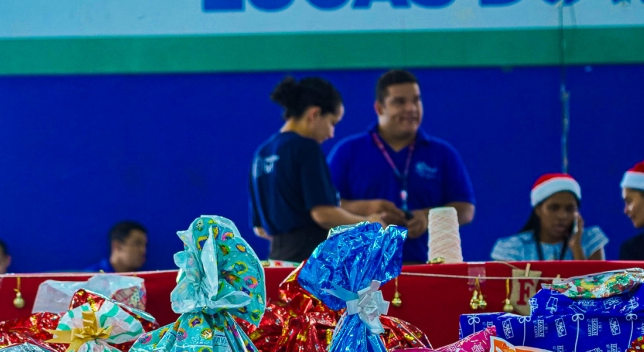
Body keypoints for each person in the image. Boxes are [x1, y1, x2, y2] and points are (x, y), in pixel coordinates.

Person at [327, 69, 476, 264]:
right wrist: (368, 209)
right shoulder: (347, 151)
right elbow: (325, 207)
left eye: (416, 100)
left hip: (427, 267)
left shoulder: (442, 153)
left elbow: (466, 210)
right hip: (361, 270)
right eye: (399, 102)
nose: (411, 108)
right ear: (379, 108)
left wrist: (426, 217)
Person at [249, 76, 386, 262]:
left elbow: (260, 228)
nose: (331, 134)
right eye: (332, 123)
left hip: (276, 262)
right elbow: (323, 214)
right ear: (314, 114)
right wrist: (368, 223)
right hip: (308, 263)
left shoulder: (261, 153)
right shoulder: (306, 147)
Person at [491, 174, 607, 262]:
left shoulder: (588, 241)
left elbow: (596, 286)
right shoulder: (513, 247)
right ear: (538, 210)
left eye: (570, 209)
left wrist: (576, 247)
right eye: (554, 208)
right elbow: (503, 286)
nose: (562, 216)